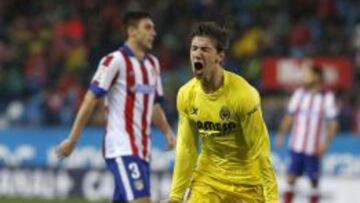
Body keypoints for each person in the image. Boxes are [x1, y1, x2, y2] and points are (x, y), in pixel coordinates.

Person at [55, 11, 176, 203]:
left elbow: (154, 105)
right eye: (147, 27)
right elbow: (90, 99)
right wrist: (72, 139)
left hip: (143, 149)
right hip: (122, 147)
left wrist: (168, 133)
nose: (153, 32)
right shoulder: (114, 61)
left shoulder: (153, 64)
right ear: (132, 32)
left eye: (153, 28)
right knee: (142, 200)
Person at [161, 22, 278, 203]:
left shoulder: (244, 95)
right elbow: (187, 148)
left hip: (247, 184)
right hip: (208, 180)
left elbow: (260, 152)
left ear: (220, 57)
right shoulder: (186, 94)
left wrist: (272, 199)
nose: (197, 54)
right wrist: (175, 197)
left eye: (205, 49)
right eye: (194, 48)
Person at [276, 65, 338, 203]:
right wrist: (281, 134)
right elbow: (289, 116)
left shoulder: (327, 97)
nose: (304, 78)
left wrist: (325, 145)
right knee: (290, 178)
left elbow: (333, 124)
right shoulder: (299, 94)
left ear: (317, 77)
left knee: (314, 181)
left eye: (307, 75)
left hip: (313, 148)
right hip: (297, 145)